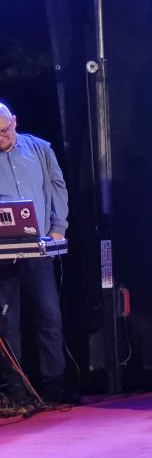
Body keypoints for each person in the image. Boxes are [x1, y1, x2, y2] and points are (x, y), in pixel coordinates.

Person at [0, 102, 76, 406]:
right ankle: (16, 390)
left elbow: (58, 187)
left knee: (49, 317)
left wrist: (58, 227)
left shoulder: (41, 150)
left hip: (39, 251)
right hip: (4, 257)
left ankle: (54, 385)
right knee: (8, 324)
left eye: (5, 130)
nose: (2, 136)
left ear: (15, 122)